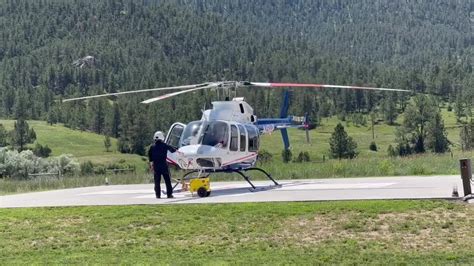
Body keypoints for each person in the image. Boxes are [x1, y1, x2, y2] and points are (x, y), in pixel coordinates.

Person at [148, 131, 177, 199]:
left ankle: (158, 195)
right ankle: (169, 194)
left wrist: (151, 164)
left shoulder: (152, 147)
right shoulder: (165, 145)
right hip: (164, 165)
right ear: (162, 137)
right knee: (167, 180)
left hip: (156, 166)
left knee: (157, 181)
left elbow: (150, 156)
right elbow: (173, 150)